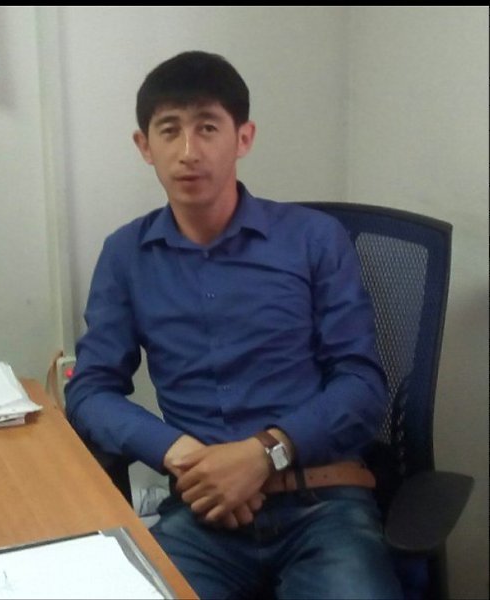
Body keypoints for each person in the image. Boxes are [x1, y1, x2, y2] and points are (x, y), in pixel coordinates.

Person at [65, 50, 403, 600]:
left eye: (208, 127)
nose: (189, 151)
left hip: (321, 506)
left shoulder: (314, 239)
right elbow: (90, 390)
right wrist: (180, 454)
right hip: (203, 514)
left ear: (243, 138)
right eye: (169, 130)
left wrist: (264, 454)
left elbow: (362, 385)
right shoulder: (126, 255)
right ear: (144, 146)